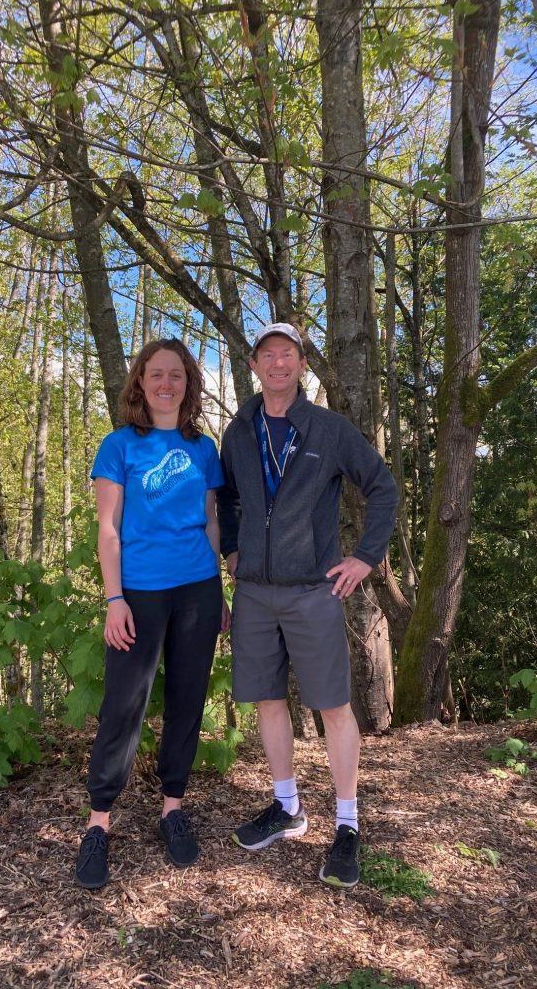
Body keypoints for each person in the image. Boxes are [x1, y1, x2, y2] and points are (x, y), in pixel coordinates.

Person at [217, 322, 398, 889]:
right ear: (253, 364)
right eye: (267, 355)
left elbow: (383, 487)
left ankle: (347, 824)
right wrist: (230, 548)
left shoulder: (328, 428)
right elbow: (226, 498)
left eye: (288, 355)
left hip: (314, 591)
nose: (278, 364)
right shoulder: (239, 429)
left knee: (332, 706)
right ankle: (287, 807)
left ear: (300, 364)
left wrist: (365, 557)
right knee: (269, 701)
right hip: (254, 594)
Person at [75, 338, 229, 890]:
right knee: (124, 705)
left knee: (187, 700)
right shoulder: (118, 446)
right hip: (138, 594)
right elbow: (109, 529)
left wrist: (220, 589)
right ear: (140, 383)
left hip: (197, 591)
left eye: (177, 376)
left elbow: (211, 523)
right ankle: (98, 824)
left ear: (189, 385)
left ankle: (172, 809)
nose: (167, 383)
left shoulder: (203, 449)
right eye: (156, 374)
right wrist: (113, 599)